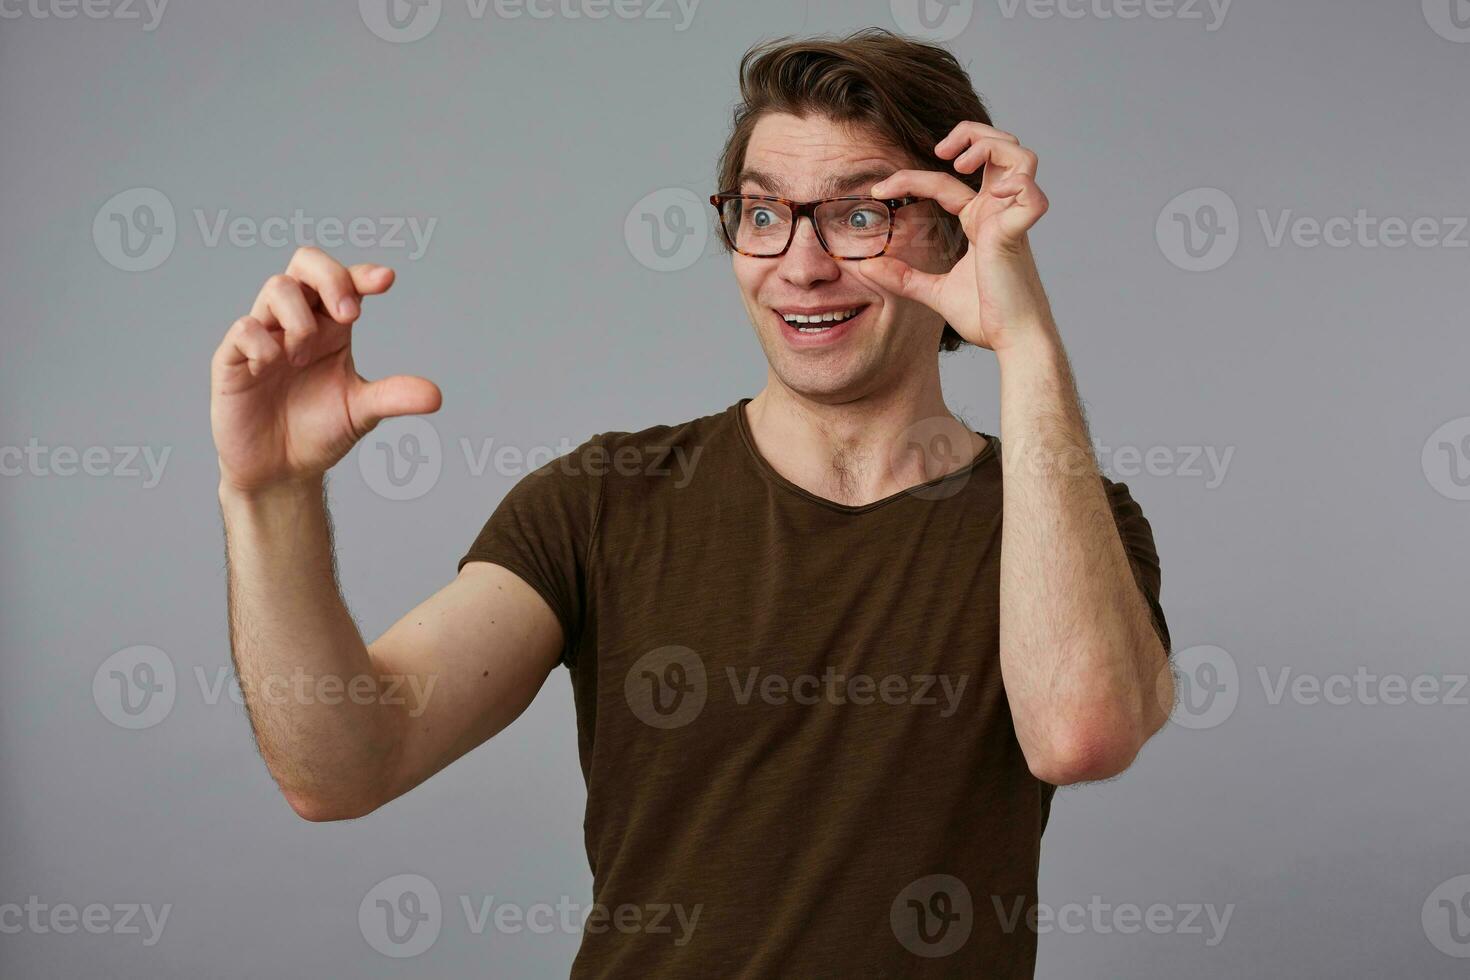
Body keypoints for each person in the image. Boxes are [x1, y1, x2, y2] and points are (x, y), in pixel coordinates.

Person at [209, 28, 1174, 978]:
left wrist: (1029, 342)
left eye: (859, 215)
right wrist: (271, 494)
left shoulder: (1066, 521)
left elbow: (1079, 734)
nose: (800, 265)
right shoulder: (603, 502)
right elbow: (342, 767)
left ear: (952, 228)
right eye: (762, 215)